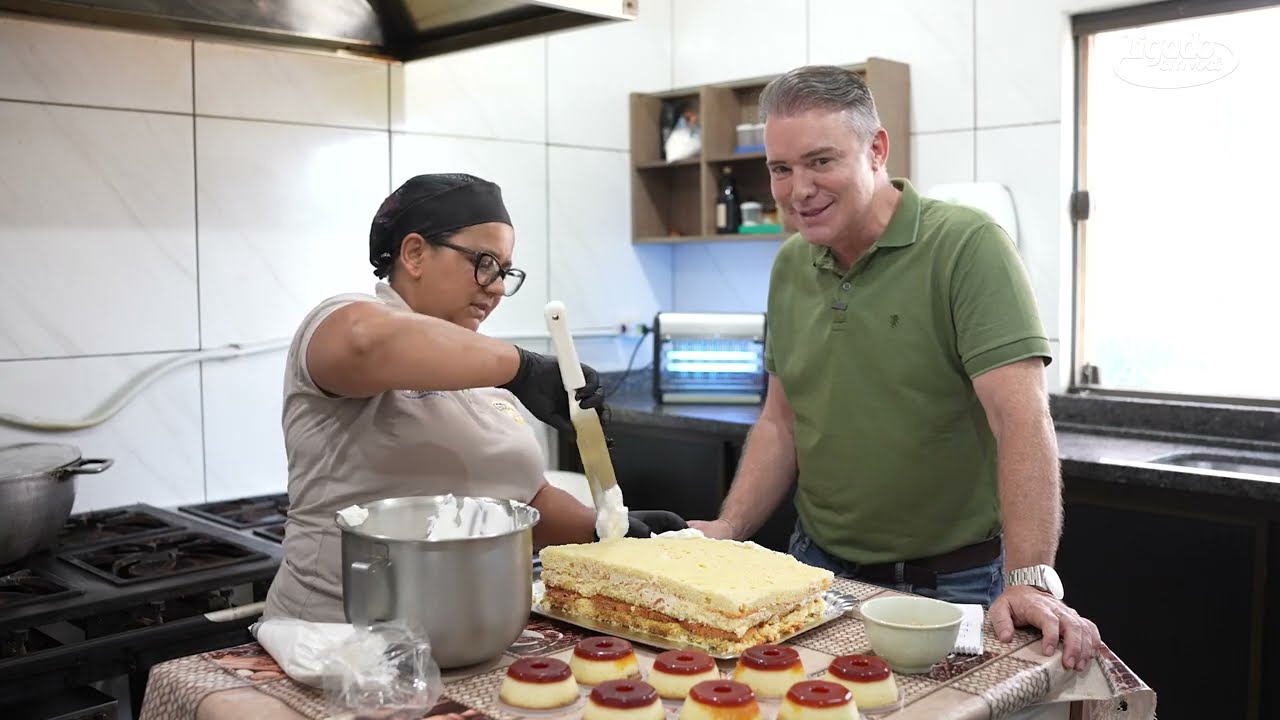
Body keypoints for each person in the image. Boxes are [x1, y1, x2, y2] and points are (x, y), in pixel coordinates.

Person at [687, 66, 1102, 671]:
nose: (798, 188)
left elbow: (1021, 418)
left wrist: (1031, 578)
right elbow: (781, 421)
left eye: (820, 161)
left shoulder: (967, 246)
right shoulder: (789, 265)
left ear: (876, 150)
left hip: (951, 581)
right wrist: (729, 527)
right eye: (781, 168)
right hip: (814, 569)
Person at [263, 173, 685, 624]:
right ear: (414, 253)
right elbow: (366, 342)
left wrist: (606, 528)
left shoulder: (480, 367)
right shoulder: (337, 322)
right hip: (336, 641)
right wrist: (523, 368)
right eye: (485, 263)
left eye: (505, 272)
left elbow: (522, 499)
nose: (498, 286)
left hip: (462, 636)